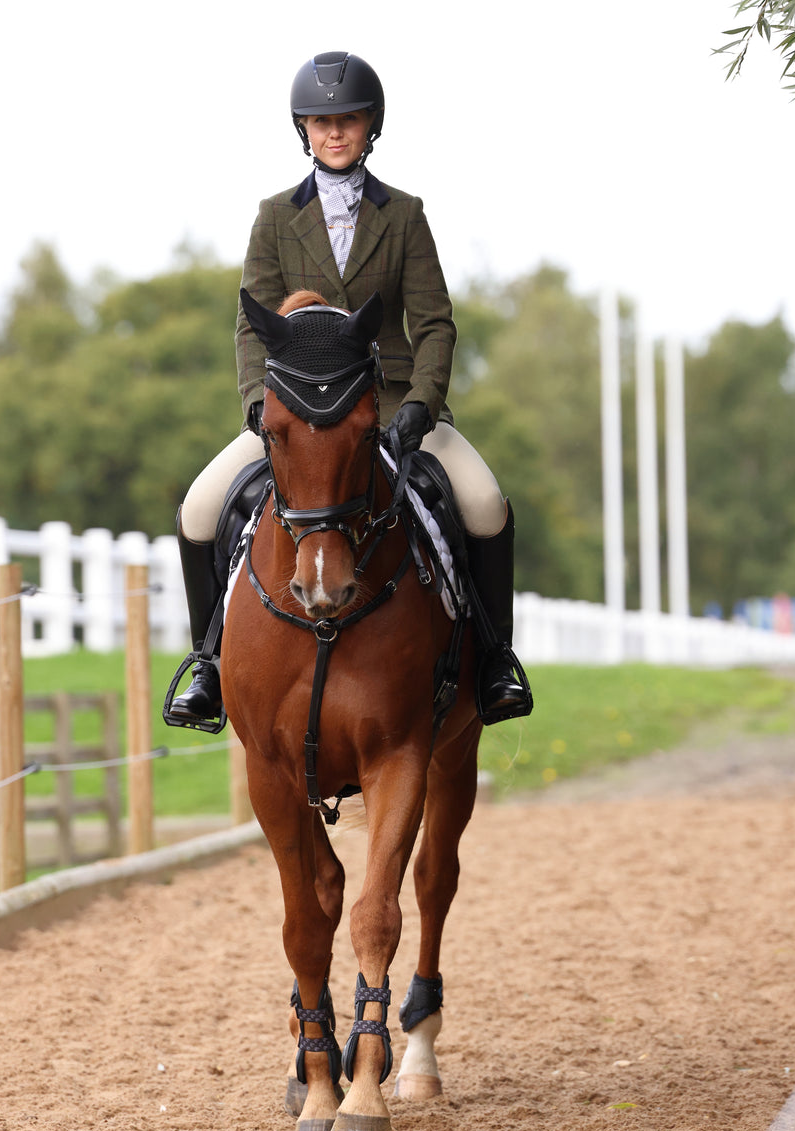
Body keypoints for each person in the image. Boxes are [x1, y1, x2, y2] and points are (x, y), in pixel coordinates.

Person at [167, 50, 531, 729]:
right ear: (302, 130)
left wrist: (421, 405)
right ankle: (209, 666)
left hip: (389, 406)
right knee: (197, 510)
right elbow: (252, 325)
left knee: (484, 505)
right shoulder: (275, 217)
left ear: (371, 126)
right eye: (321, 121)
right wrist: (257, 405)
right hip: (296, 413)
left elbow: (433, 323)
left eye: (349, 120)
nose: (335, 133)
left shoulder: (404, 216)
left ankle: (494, 662)